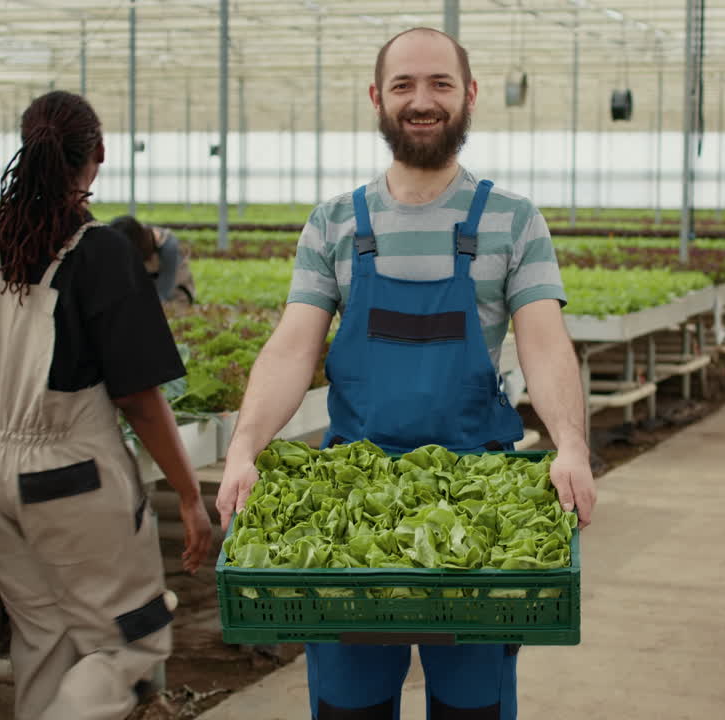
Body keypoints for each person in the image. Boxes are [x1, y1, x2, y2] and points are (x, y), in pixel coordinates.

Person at [216, 27, 596, 720]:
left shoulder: (512, 221)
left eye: (440, 84)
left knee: (472, 704)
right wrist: (243, 447)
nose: (422, 101)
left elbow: (544, 344)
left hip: (477, 506)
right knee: (350, 704)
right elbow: (292, 349)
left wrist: (570, 444)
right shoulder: (334, 223)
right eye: (404, 86)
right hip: (350, 500)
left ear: (470, 95)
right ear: (378, 98)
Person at [0, 91, 212, 720]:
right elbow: (138, 398)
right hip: (70, 477)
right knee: (128, 640)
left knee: (43, 640)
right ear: (96, 156)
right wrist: (186, 493)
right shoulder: (99, 253)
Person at [108, 216, 196, 308]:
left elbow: (164, 291)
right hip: (145, 295)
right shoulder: (126, 247)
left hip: (175, 296)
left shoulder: (168, 246)